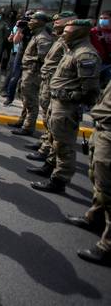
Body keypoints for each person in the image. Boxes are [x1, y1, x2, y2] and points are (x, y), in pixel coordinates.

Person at [30, 20, 101, 193]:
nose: (62, 34)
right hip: (57, 103)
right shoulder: (72, 50)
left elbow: (90, 89)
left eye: (67, 32)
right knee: (55, 139)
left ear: (79, 33)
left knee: (64, 146)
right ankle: (49, 166)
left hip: (67, 106)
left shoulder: (86, 55)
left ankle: (59, 180)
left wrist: (73, 98)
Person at [66, 82, 111, 267]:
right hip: (104, 127)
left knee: (108, 189)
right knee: (99, 179)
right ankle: (96, 217)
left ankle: (107, 246)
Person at [25, 11, 76, 161]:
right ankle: (45, 145)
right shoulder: (59, 40)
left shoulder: (66, 43)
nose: (55, 25)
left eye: (58, 23)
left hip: (54, 83)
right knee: (47, 115)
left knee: (50, 118)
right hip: (48, 81)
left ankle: (47, 150)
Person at [10, 12, 54, 136]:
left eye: (32, 20)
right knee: (26, 98)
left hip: (33, 73)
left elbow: (44, 58)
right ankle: (22, 121)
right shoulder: (36, 35)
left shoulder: (42, 37)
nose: (29, 22)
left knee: (31, 100)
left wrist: (29, 60)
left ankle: (28, 127)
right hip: (28, 71)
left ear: (39, 22)